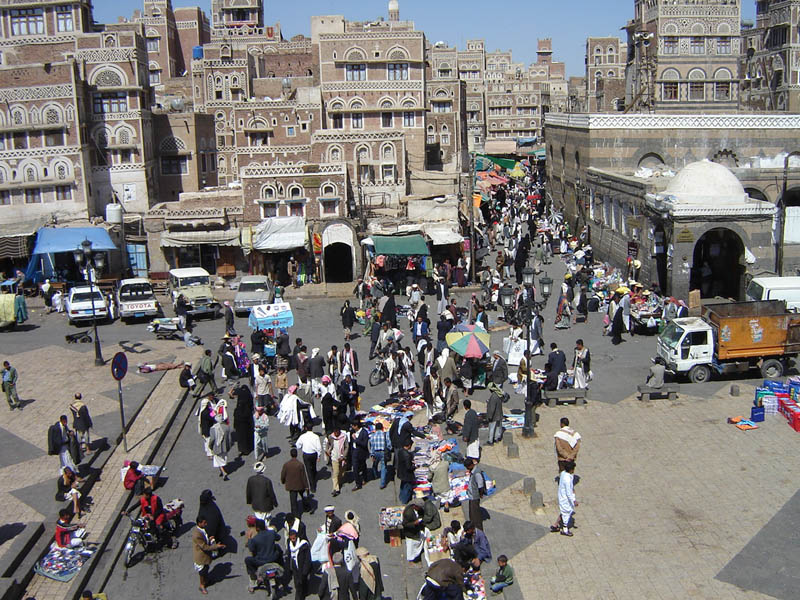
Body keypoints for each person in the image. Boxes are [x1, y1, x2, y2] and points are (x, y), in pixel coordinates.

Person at [245, 519, 282, 594]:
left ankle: (253, 578)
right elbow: (278, 538)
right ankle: (282, 565)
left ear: (257, 528)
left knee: (247, 560)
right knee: (278, 548)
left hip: (261, 561)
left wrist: (249, 539)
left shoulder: (255, 539)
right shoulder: (271, 533)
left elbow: (251, 549)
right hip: (273, 558)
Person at [193, 515, 225, 595]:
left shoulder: (201, 530)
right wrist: (216, 546)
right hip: (201, 556)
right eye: (204, 523)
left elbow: (204, 541)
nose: (206, 524)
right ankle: (202, 585)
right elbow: (204, 547)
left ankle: (206, 581)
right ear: (199, 523)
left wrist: (209, 539)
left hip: (205, 556)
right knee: (202, 572)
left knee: (206, 569)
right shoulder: (197, 535)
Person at [280, 447, 309, 517]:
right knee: (303, 496)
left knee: (293, 502)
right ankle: (306, 507)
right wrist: (306, 486)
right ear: (296, 454)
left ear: (291, 455)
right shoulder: (300, 464)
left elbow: (283, 474)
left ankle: (295, 515)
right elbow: (304, 476)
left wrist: (283, 481)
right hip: (300, 485)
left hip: (291, 486)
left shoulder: (286, 464)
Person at [551, 460, 577, 536]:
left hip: (561, 496)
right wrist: (574, 500)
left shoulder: (563, 474)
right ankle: (565, 529)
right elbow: (569, 493)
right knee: (567, 512)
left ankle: (555, 525)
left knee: (563, 511)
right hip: (565, 499)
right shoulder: (568, 479)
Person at [295, 425, 322, 495]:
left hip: (306, 454)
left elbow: (298, 445)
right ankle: (314, 474)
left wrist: (301, 447)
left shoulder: (303, 436)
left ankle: (312, 486)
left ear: (306, 428)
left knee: (308, 470)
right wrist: (319, 455)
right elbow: (319, 447)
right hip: (314, 454)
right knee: (313, 466)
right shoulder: (316, 436)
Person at [286, 528, 312, 600]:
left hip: (302, 566)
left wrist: (305, 571)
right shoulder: (289, 543)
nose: (292, 540)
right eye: (291, 539)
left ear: (296, 537)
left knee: (301, 583)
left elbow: (307, 559)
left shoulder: (303, 545)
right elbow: (289, 554)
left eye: (293, 538)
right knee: (298, 583)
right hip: (294, 566)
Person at [232, 383, 255, 457]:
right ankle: (249, 448)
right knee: (248, 435)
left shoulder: (238, 409)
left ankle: (242, 449)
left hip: (239, 425)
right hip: (247, 423)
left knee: (241, 438)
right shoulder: (247, 406)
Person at [326, 424, 349, 497]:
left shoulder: (344, 437)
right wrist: (328, 451)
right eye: (335, 432)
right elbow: (328, 445)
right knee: (335, 473)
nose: (336, 434)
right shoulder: (331, 437)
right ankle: (336, 489)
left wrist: (343, 456)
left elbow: (346, 447)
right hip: (334, 457)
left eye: (337, 432)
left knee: (341, 472)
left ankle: (339, 482)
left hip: (342, 458)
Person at [208, 414, 232, 481]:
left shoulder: (213, 428)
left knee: (218, 461)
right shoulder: (227, 427)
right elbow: (229, 438)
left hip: (217, 447)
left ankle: (223, 472)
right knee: (222, 459)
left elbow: (212, 439)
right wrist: (229, 446)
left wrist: (210, 446)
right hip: (224, 447)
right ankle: (222, 471)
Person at [368, 422, 391, 489]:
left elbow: (372, 446)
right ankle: (382, 484)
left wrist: (372, 454)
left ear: (375, 429)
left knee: (375, 465)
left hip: (375, 452)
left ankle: (375, 475)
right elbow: (389, 444)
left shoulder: (372, 435)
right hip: (383, 452)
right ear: (382, 428)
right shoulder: (385, 434)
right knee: (383, 467)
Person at [403, 497, 426, 562]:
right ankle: (412, 558)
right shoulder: (408, 513)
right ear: (415, 506)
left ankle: (416, 554)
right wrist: (414, 523)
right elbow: (405, 524)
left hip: (416, 530)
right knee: (412, 546)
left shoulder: (417, 510)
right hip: (411, 532)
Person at [349, 419, 370, 491]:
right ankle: (358, 484)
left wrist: (356, 439)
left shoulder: (364, 432)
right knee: (355, 468)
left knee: (363, 466)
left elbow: (364, 444)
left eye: (353, 426)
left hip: (361, 452)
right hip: (354, 452)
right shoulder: (352, 432)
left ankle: (365, 478)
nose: (352, 427)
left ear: (356, 426)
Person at [464, 459, 483, 530]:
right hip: (471, 496)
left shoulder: (477, 473)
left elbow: (480, 485)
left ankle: (478, 530)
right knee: (472, 515)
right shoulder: (473, 471)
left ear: (471, 465)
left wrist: (480, 494)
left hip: (474, 497)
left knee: (476, 516)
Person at [397, 439, 416, 504]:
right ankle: (404, 502)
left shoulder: (400, 451)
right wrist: (414, 466)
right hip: (407, 475)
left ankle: (401, 498)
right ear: (409, 445)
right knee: (407, 488)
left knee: (403, 486)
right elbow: (409, 467)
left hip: (401, 473)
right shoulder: (407, 455)